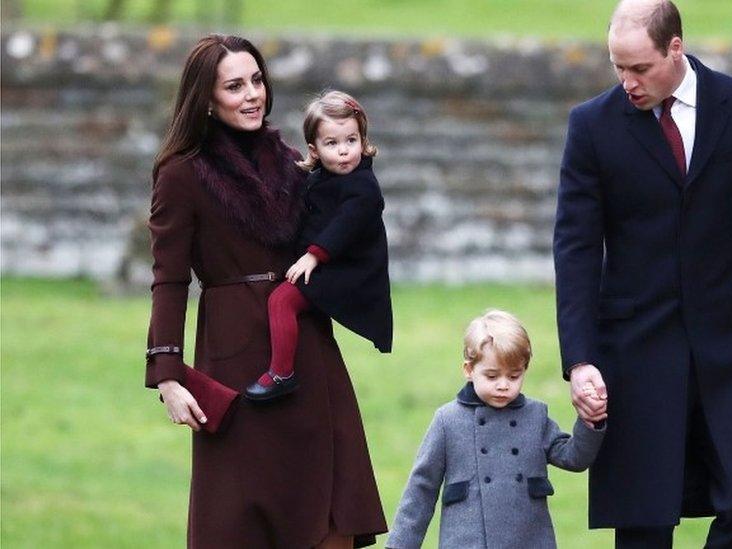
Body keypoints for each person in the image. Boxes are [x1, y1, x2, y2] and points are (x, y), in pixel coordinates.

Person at [553, 1, 732, 547]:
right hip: (634, 348)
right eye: (617, 68)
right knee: (644, 524)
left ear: (675, 47)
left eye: (640, 68)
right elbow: (576, 250)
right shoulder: (591, 126)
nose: (627, 82)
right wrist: (579, 360)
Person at [146, 34, 386, 548]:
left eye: (257, 80)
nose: (252, 94)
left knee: (330, 518)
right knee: (240, 518)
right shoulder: (180, 174)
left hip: (306, 349)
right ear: (206, 99)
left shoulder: (294, 160)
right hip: (234, 360)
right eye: (235, 86)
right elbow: (168, 278)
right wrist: (167, 374)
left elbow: (351, 216)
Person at [386, 310, 605, 549]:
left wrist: (589, 421)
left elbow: (574, 458)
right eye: (492, 376)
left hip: (530, 541)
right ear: (469, 370)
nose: (503, 385)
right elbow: (421, 489)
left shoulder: (535, 415)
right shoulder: (447, 421)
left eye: (514, 376)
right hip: (468, 543)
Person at [245, 90, 393, 401]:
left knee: (282, 301)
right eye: (332, 143)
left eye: (351, 141)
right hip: (329, 264)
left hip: (348, 272)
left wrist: (313, 256)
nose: (343, 151)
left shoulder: (363, 187)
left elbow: (344, 225)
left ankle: (281, 373)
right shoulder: (319, 178)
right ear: (314, 149)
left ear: (363, 141)